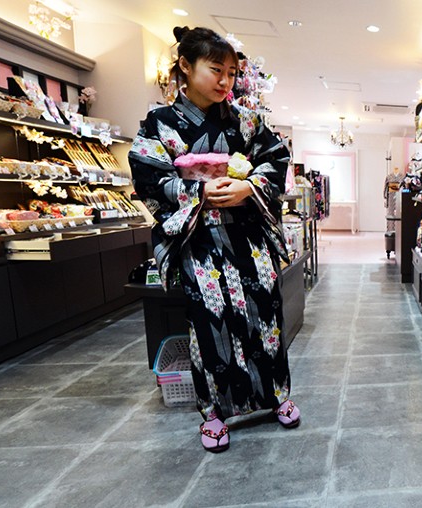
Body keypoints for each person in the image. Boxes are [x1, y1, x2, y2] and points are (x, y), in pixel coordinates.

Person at [129, 26, 300, 453]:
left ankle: (275, 396)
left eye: (230, 72)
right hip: (200, 240)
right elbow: (147, 176)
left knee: (265, 312)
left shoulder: (245, 120)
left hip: (248, 235)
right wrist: (196, 193)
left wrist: (250, 187)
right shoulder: (160, 124)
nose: (225, 81)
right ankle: (214, 413)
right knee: (210, 321)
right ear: (185, 66)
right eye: (215, 70)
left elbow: (276, 159)